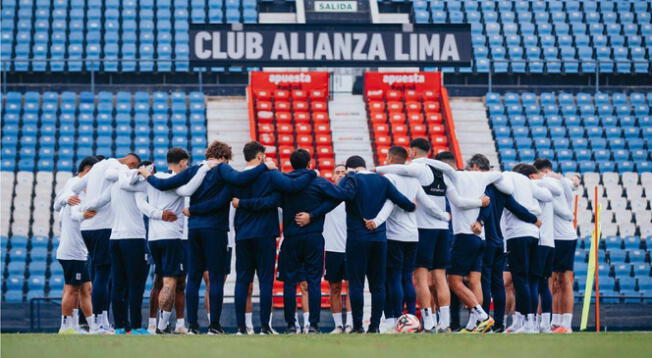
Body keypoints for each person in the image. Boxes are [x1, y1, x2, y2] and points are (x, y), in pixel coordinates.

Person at [142, 140, 274, 334]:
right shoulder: (222, 169)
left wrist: (147, 175)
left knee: (194, 278)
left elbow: (164, 184)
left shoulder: (195, 169)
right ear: (223, 157)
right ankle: (214, 326)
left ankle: (193, 325)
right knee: (216, 278)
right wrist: (264, 166)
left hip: (193, 230)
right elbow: (239, 180)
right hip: (215, 230)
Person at [374, 140, 483, 332]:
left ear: (412, 151)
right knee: (440, 276)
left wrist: (376, 168)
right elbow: (458, 201)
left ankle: (429, 321)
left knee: (420, 278)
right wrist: (479, 202)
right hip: (442, 230)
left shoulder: (417, 167)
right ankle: (446, 322)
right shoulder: (442, 173)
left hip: (424, 229)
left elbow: (403, 170)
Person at [229, 141, 315, 335]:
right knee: (265, 281)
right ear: (260, 156)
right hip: (265, 233)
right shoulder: (270, 175)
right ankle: (265, 327)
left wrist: (243, 203)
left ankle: (241, 328)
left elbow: (235, 202)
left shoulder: (236, 177)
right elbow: (283, 194)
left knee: (243, 280)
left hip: (243, 234)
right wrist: (311, 172)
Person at [134, 148, 216, 334]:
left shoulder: (153, 179)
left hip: (154, 238)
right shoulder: (175, 182)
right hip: (172, 236)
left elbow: (141, 202)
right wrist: (203, 168)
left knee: (162, 280)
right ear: (180, 163)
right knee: (170, 282)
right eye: (186, 165)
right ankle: (162, 326)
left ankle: (162, 324)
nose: (186, 168)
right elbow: (188, 190)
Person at [268, 149, 349, 334]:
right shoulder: (318, 182)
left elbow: (276, 201)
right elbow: (340, 196)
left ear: (291, 164)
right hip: (313, 236)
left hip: (291, 237)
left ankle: (290, 325)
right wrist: (314, 215)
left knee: (289, 282)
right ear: (309, 164)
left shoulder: (284, 183)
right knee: (313, 281)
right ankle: (313, 325)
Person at [369, 146, 449, 332]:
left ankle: (396, 317)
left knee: (393, 278)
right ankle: (412, 317)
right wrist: (443, 215)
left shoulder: (390, 178)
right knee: (407, 277)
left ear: (390, 158)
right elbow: (427, 202)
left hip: (394, 235)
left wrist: (376, 221)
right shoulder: (414, 180)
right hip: (413, 235)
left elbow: (389, 204)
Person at [336, 155, 416, 333]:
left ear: (350, 169)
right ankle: (374, 326)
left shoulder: (351, 180)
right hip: (379, 239)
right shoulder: (383, 181)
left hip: (356, 238)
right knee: (378, 285)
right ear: (365, 166)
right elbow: (403, 202)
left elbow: (338, 194)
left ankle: (357, 326)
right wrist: (412, 206)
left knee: (356, 284)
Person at [468, 154, 539, 333]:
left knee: (483, 281)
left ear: (476, 168)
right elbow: (516, 208)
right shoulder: (502, 189)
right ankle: (499, 323)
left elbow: (485, 208)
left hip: (485, 239)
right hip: (500, 241)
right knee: (497, 283)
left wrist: (479, 222)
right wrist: (534, 219)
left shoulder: (479, 186)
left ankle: (484, 322)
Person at [71, 153, 141, 331]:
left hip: (87, 228)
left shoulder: (94, 168)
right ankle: (99, 321)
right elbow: (114, 183)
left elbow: (76, 186)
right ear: (132, 162)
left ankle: (95, 320)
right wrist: (139, 173)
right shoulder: (117, 167)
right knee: (103, 276)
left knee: (96, 274)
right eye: (134, 166)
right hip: (104, 226)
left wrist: (83, 206)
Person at [502, 164, 552, 334]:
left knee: (520, 280)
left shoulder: (506, 177)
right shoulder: (529, 182)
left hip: (517, 234)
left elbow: (510, 203)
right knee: (530, 280)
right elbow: (546, 196)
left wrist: (529, 216)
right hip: (533, 234)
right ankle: (529, 322)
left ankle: (528, 323)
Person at [54, 156, 101, 334]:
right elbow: (73, 213)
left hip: (78, 250)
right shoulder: (77, 186)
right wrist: (84, 215)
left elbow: (57, 206)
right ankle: (65, 327)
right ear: (88, 170)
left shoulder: (74, 186)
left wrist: (64, 201)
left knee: (85, 289)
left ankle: (91, 327)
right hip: (72, 249)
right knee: (72, 289)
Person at [533, 159, 579, 334]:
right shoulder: (555, 180)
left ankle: (566, 324)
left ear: (542, 172)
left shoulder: (551, 182)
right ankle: (555, 322)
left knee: (564, 280)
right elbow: (575, 181)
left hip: (564, 237)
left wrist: (572, 179)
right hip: (553, 238)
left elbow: (565, 211)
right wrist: (575, 178)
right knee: (554, 282)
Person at [321, 164, 353, 334]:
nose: (340, 175)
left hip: (351, 248)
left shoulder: (353, 195)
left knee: (350, 287)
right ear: (332, 176)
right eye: (337, 172)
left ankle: (349, 324)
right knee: (334, 288)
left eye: (343, 172)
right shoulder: (326, 195)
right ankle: (338, 325)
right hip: (332, 248)